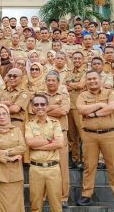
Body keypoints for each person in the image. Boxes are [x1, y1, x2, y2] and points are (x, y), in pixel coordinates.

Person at [76, 70, 114, 209]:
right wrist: (99, 105)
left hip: (109, 135)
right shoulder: (82, 95)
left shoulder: (110, 93)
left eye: (94, 78)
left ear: (100, 80)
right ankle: (86, 195)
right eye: (89, 79)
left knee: (113, 167)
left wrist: (93, 114)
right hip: (89, 135)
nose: (92, 81)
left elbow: (113, 107)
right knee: (89, 166)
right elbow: (81, 109)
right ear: (86, 81)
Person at [25, 94, 64, 212]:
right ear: (32, 107)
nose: (39, 107)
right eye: (36, 104)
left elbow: (60, 144)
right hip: (36, 169)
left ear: (47, 106)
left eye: (42, 104)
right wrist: (50, 141)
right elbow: (30, 142)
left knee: (56, 206)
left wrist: (39, 146)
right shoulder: (29, 124)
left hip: (53, 169)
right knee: (35, 206)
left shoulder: (55, 123)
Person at [0, 103, 26, 212]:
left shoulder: (16, 130)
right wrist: (9, 158)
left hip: (15, 175)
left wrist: (6, 152)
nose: (1, 116)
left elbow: (22, 148)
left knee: (16, 204)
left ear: (8, 116)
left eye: (4, 114)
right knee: (0, 205)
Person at [41, 71, 72, 207]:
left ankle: (63, 197)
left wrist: (46, 110)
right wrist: (54, 107)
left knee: (62, 166)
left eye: (54, 80)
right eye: (49, 80)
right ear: (45, 82)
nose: (51, 82)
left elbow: (64, 111)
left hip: (60, 133)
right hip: (43, 132)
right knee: (44, 163)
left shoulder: (64, 95)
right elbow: (37, 111)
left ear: (58, 82)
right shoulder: (41, 96)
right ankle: (44, 195)